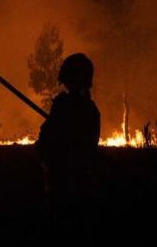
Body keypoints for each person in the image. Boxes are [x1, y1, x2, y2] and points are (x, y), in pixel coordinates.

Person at [35, 53, 100, 245]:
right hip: (79, 185)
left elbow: (48, 140)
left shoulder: (64, 106)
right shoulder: (90, 109)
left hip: (65, 185)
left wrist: (44, 155)